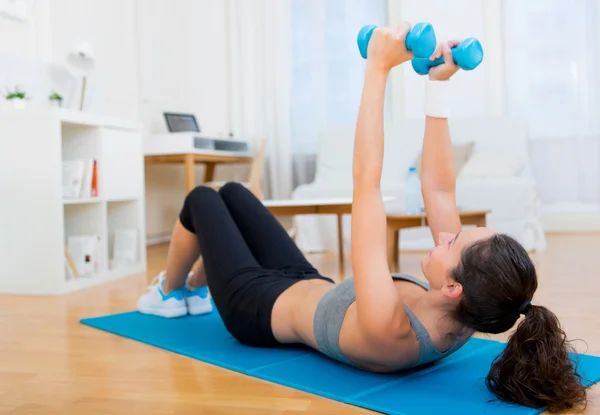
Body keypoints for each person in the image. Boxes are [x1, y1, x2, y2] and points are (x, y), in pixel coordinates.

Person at [137, 23, 587, 413]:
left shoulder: (392, 329)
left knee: (203, 198)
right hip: (300, 278)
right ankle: (196, 287)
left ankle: (170, 292)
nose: (444, 236)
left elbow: (365, 185)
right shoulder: (474, 306)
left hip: (254, 307)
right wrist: (438, 85)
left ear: (454, 286)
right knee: (233, 191)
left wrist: (377, 70)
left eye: (451, 244)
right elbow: (438, 187)